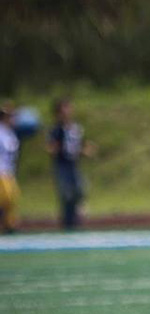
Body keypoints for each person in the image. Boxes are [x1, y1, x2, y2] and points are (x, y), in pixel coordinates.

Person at [47, 98, 94, 230]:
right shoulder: (56, 129)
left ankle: (76, 217)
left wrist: (85, 150)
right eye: (64, 109)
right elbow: (52, 147)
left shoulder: (75, 127)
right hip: (63, 165)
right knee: (67, 193)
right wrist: (56, 149)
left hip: (74, 164)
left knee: (79, 189)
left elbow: (80, 144)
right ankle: (68, 222)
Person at [0, 105, 20, 233]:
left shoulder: (10, 133)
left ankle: (9, 225)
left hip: (9, 171)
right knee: (4, 198)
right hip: (1, 170)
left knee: (12, 197)